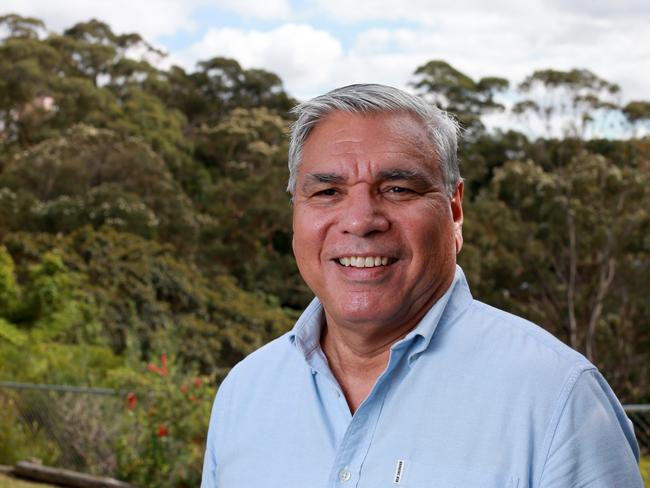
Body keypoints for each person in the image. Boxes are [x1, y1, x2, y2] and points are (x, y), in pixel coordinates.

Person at [201, 84, 643, 487]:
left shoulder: (557, 399)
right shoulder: (245, 393)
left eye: (396, 188)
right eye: (328, 192)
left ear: (454, 210)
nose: (360, 220)